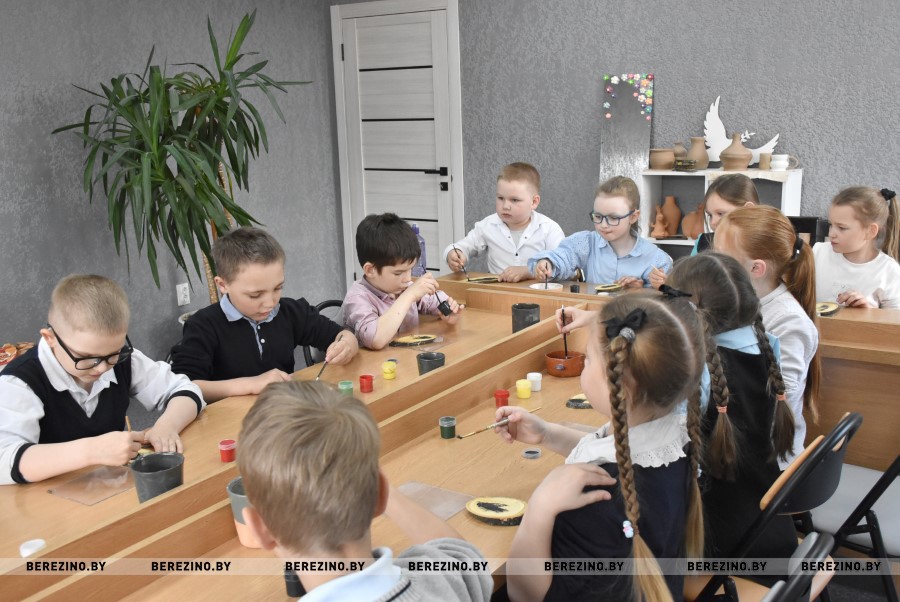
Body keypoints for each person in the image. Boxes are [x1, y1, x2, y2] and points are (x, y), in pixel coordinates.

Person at [497, 292, 705, 601]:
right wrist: (547, 434)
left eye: (589, 359)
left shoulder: (595, 503)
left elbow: (524, 593)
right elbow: (618, 452)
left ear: (621, 385)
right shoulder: (679, 443)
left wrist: (540, 507)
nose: (584, 364)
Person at [237, 381, 493, 601]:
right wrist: (373, 482)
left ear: (260, 529)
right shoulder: (441, 584)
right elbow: (460, 556)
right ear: (380, 497)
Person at [0, 275, 204, 485]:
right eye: (87, 357)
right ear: (50, 338)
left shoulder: (123, 360)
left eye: (113, 354)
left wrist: (167, 426)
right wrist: (91, 451)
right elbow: (4, 459)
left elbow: (186, 390)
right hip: (43, 497)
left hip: (108, 489)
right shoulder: (20, 382)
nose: (102, 368)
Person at [667, 253, 797, 564]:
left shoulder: (697, 371)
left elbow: (663, 456)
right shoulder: (766, 344)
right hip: (767, 524)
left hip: (717, 542)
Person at [169, 227, 358, 403]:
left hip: (281, 413)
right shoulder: (203, 325)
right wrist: (250, 384)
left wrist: (346, 345)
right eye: (255, 295)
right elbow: (183, 386)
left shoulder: (290, 312)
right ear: (223, 285)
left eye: (277, 288)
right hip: (228, 422)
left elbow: (342, 334)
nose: (270, 303)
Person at [716, 205, 820, 468]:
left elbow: (776, 409)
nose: (711, 263)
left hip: (767, 460)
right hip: (738, 441)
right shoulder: (738, 301)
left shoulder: (789, 323)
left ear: (756, 268)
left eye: (720, 256)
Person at [343, 213, 460, 350]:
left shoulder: (401, 286)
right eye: (398, 273)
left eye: (410, 269)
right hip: (376, 363)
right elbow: (375, 339)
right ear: (370, 270)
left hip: (407, 357)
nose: (408, 279)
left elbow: (432, 301)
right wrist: (409, 296)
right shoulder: (357, 298)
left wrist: (449, 308)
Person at [530, 176, 672, 288]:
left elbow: (666, 299)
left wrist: (646, 288)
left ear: (633, 217)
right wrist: (547, 264)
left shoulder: (656, 259)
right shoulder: (586, 242)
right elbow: (563, 256)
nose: (603, 225)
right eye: (598, 216)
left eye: (613, 218)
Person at [444, 162, 564, 282]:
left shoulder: (549, 229)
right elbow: (463, 246)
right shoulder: (488, 225)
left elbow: (562, 264)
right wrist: (455, 254)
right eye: (501, 198)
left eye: (514, 200)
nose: (505, 206)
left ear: (534, 202)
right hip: (497, 291)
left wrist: (528, 271)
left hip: (536, 292)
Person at [649, 173, 759, 288]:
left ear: (748, 210)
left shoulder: (765, 247)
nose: (713, 222)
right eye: (710, 215)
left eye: (721, 213)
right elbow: (689, 287)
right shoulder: (703, 242)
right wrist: (668, 284)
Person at [814, 186, 900, 308]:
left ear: (870, 231)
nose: (831, 234)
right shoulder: (817, 253)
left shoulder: (889, 271)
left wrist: (867, 312)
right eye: (830, 225)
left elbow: (893, 319)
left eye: (842, 228)